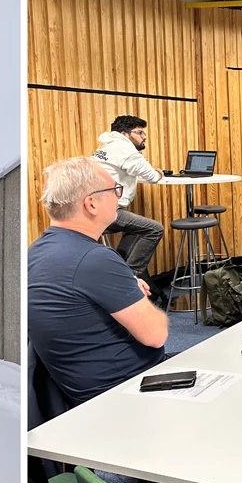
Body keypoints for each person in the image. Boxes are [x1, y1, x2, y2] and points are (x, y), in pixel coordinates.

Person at [28, 157, 168, 406]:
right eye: (115, 190)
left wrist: (125, 285)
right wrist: (134, 292)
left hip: (79, 392)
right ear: (91, 203)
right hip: (129, 393)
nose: (119, 197)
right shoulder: (95, 259)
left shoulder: (37, 251)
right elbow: (156, 335)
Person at [92, 115, 165, 295]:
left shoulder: (106, 147)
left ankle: (121, 270)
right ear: (125, 134)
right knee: (155, 229)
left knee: (137, 229)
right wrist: (159, 173)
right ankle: (130, 278)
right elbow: (151, 176)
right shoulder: (125, 149)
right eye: (140, 132)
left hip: (90, 209)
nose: (144, 136)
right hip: (105, 212)